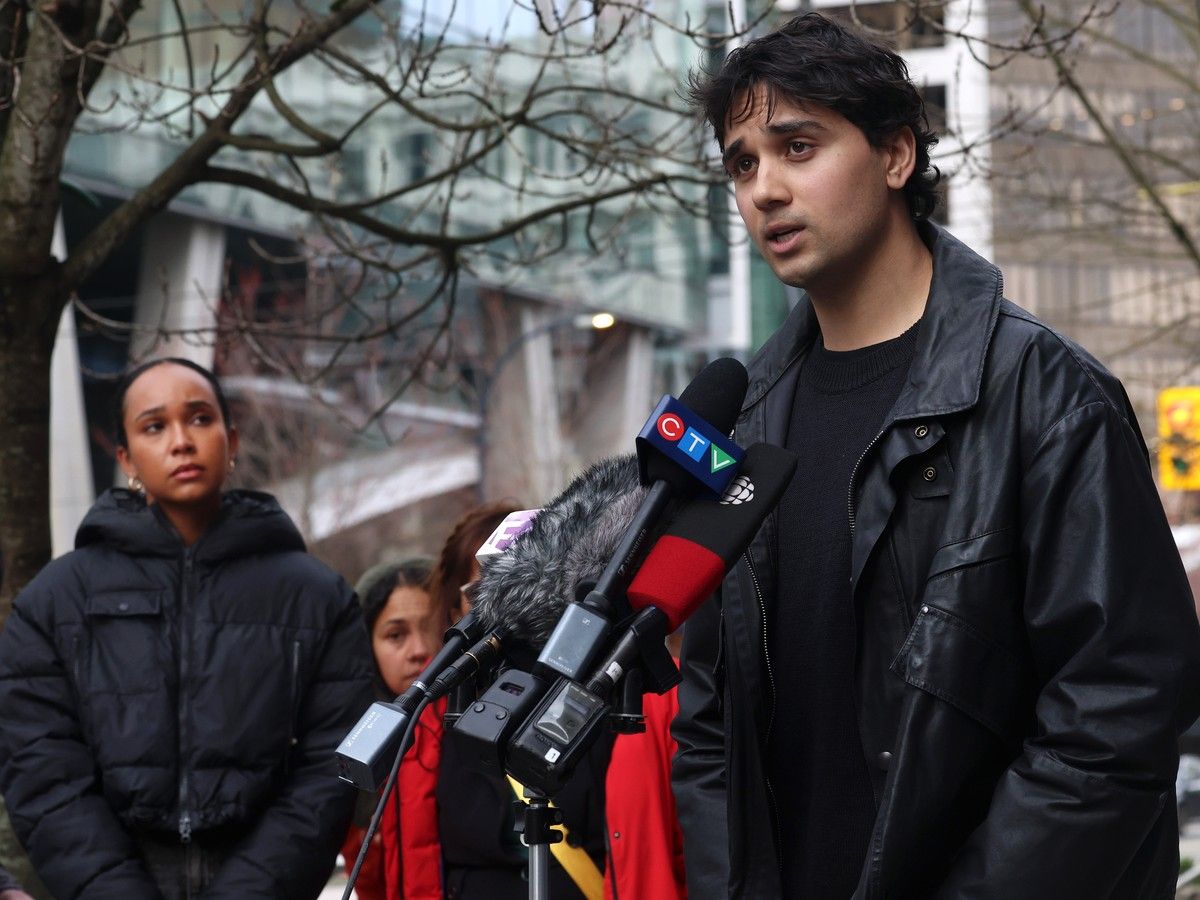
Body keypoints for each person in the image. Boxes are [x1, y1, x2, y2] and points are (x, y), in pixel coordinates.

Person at [672, 13, 1200, 899]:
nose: (763, 188)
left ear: (895, 156)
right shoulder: (742, 417)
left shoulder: (1046, 393)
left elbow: (1117, 715)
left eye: (798, 147)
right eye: (742, 163)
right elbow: (708, 722)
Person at [0, 357, 374, 899]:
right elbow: (43, 769)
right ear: (126, 456)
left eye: (200, 418)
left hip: (264, 880)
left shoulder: (316, 598)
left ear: (232, 438)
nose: (181, 440)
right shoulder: (56, 601)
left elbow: (332, 766)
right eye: (155, 426)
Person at [341, 558, 446, 900]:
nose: (419, 651)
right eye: (395, 635)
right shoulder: (350, 749)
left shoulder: (478, 729)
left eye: (431, 627)